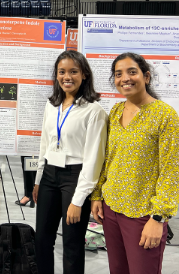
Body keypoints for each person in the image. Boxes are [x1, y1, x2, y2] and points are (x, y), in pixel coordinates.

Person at [92, 52, 179, 274]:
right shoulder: (116, 111)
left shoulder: (165, 116)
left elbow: (172, 171)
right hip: (111, 209)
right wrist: (97, 195)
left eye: (132, 72)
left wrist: (158, 218)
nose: (125, 79)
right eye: (118, 74)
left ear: (146, 77)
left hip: (143, 213)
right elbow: (108, 157)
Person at [28, 50, 109, 274]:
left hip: (75, 177)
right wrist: (38, 180)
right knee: (42, 240)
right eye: (62, 72)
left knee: (72, 244)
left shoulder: (94, 111)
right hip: (49, 175)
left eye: (73, 71)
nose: (67, 77)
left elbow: (94, 159)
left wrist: (79, 199)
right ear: (56, 75)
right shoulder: (51, 105)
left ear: (84, 74)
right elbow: (45, 144)